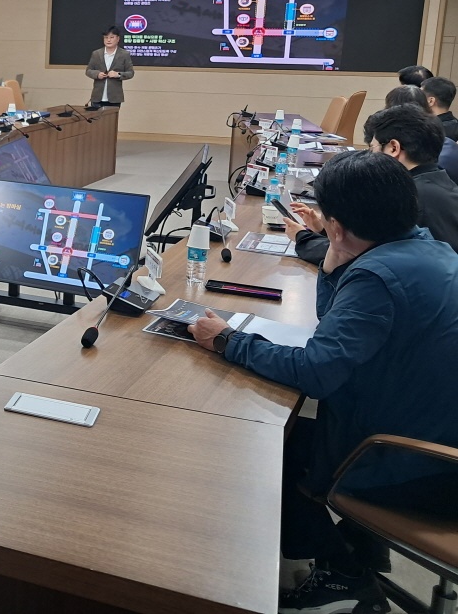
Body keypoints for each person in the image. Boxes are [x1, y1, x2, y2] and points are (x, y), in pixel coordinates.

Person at [189, 150, 458, 614]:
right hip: (433, 430)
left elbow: (315, 372)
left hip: (419, 465)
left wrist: (227, 340)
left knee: (269, 450)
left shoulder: (376, 277)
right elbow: (334, 327)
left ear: (336, 226)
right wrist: (334, 264)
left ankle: (345, 575)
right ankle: (366, 548)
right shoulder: (432, 249)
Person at [286, 103, 458, 263]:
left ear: (393, 148)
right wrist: (325, 229)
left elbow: (360, 255)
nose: (369, 157)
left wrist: (302, 237)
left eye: (372, 148)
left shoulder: (405, 198)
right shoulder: (442, 184)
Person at [84, 26, 134, 107]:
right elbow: (88, 70)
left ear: (118, 39)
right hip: (97, 97)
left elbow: (130, 73)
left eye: (111, 37)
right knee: (96, 115)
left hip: (114, 98)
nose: (108, 40)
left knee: (112, 116)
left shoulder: (124, 54)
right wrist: (97, 74)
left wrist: (118, 74)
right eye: (106, 37)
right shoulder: (96, 54)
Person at [421, 75, 458, 140]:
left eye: (419, 95)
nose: (416, 98)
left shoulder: (426, 130)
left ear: (431, 101)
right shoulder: (455, 127)